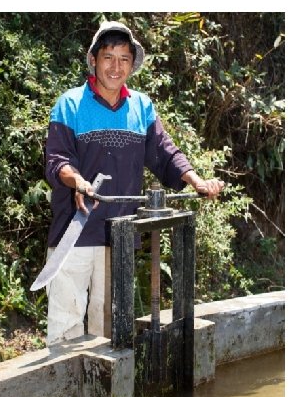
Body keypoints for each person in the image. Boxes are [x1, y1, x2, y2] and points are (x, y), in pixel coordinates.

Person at [44, 20, 224, 346]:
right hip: (75, 231)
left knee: (112, 331)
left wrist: (197, 181)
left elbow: (166, 153)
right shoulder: (69, 104)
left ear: (132, 64)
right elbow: (57, 161)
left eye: (124, 59)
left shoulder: (141, 107)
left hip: (121, 235)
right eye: (109, 57)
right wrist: (79, 181)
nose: (116, 67)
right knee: (65, 327)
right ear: (94, 60)